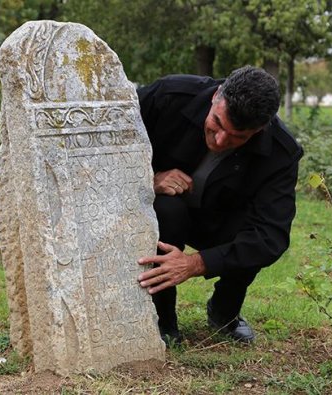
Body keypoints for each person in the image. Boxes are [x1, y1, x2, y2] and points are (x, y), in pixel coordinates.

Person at [136, 66, 303, 344]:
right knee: (168, 210)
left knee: (250, 238)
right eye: (217, 123)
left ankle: (225, 311)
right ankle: (163, 320)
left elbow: (271, 236)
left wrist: (195, 263)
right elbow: (107, 145)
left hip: (221, 222)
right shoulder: (168, 96)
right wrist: (148, 181)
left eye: (238, 137)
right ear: (216, 96)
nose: (221, 140)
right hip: (164, 210)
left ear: (260, 129)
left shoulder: (281, 153)